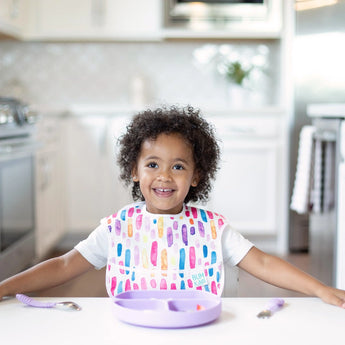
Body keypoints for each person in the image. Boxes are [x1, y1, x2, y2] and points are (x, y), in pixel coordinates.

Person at [0, 105, 344, 307]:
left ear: (196, 176)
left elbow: (264, 263)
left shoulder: (213, 229)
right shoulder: (118, 229)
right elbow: (62, 267)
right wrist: (5, 287)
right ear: (134, 170)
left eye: (178, 166)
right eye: (152, 164)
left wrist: (319, 289)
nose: (164, 176)